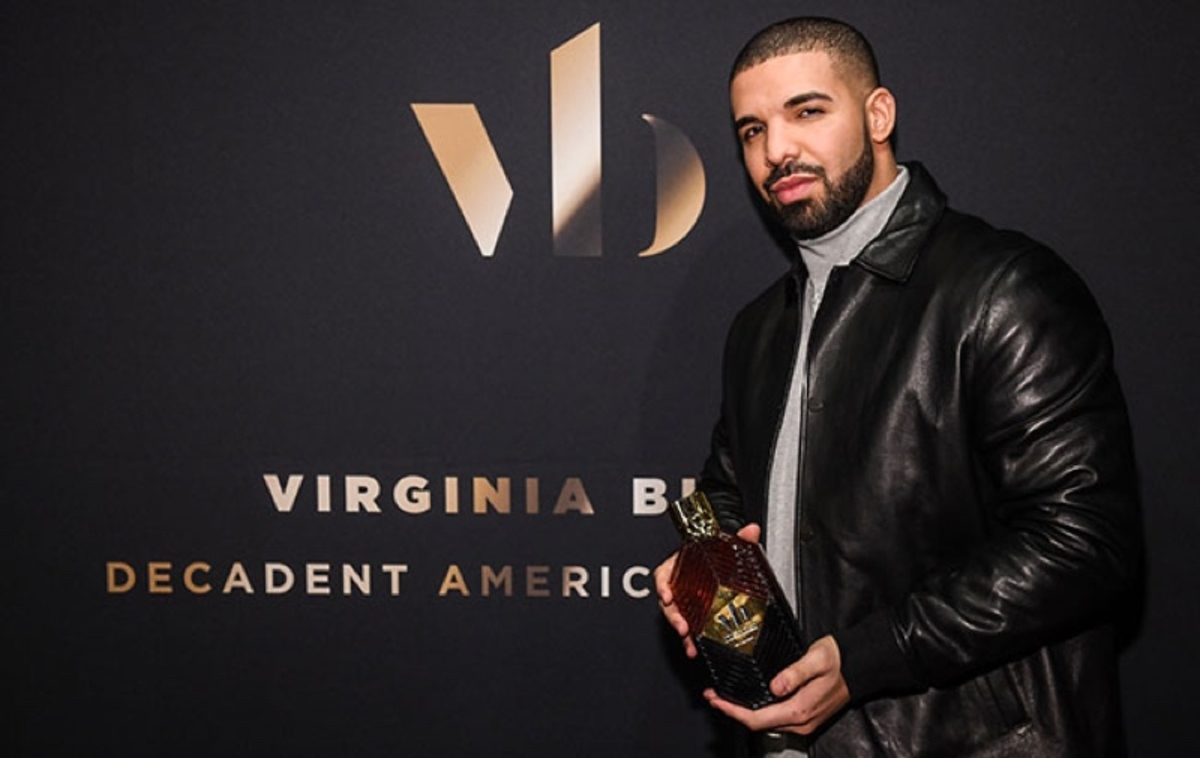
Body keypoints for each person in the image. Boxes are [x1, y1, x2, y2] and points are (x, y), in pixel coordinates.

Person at [654, 16, 1141, 757]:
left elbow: (1086, 543)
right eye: (752, 130)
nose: (776, 149)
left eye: (807, 111)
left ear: (878, 115)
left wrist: (869, 658)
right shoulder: (759, 328)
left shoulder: (1001, 287)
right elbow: (727, 493)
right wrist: (702, 568)